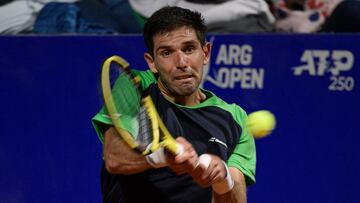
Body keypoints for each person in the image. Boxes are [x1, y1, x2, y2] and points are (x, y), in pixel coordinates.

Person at [92, 6, 256, 203]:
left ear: (205, 53)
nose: (181, 62)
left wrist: (222, 178)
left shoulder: (234, 117)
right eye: (167, 52)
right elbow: (114, 158)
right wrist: (162, 157)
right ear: (151, 62)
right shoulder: (136, 85)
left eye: (189, 49)